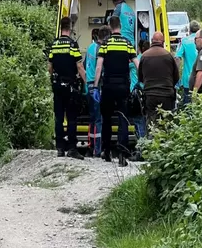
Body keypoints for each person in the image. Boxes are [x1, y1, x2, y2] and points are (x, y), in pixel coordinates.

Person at [93, 16, 140, 167]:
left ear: (110, 26)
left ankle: (106, 151)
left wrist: (95, 86)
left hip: (108, 86)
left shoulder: (105, 44)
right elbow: (137, 64)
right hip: (123, 87)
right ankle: (122, 154)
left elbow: (99, 67)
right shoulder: (127, 44)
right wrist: (141, 82)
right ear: (120, 26)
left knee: (106, 118)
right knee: (123, 119)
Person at [48, 17, 86, 159]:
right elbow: (80, 66)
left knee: (59, 117)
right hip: (71, 86)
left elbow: (50, 67)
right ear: (70, 28)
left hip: (57, 86)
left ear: (60, 28)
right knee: (71, 117)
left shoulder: (54, 45)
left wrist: (55, 78)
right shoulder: (72, 45)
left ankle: (59, 148)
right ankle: (71, 148)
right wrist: (87, 82)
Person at [139, 32, 179, 132]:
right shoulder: (168, 55)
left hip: (150, 95)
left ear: (152, 41)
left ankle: (152, 144)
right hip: (167, 95)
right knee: (166, 123)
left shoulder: (144, 56)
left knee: (151, 123)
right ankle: (165, 145)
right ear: (163, 42)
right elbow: (176, 77)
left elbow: (140, 77)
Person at [85, 26, 110, 157]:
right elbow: (99, 70)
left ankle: (91, 146)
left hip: (88, 86)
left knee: (92, 118)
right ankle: (98, 149)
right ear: (106, 37)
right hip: (96, 86)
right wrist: (97, 86)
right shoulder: (100, 50)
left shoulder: (90, 47)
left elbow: (85, 66)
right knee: (99, 119)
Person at [175, 20, 201, 106]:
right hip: (201, 77)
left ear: (189, 30)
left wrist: (176, 75)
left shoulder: (184, 41)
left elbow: (177, 58)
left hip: (187, 79)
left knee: (187, 105)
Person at [129, 40, 150, 142]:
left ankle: (141, 144)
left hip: (135, 92)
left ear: (140, 49)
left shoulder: (135, 61)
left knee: (137, 119)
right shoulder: (150, 60)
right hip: (146, 90)